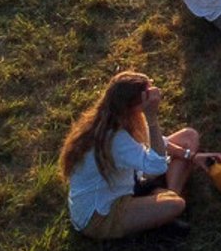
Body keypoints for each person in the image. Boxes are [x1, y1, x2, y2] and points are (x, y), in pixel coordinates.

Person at [61, 72, 207, 240]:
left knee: (188, 136)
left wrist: (191, 155)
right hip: (100, 215)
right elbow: (157, 165)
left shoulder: (115, 117)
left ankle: (161, 204)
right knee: (177, 204)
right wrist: (152, 119)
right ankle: (164, 208)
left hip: (125, 182)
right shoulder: (115, 138)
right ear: (132, 105)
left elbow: (156, 142)